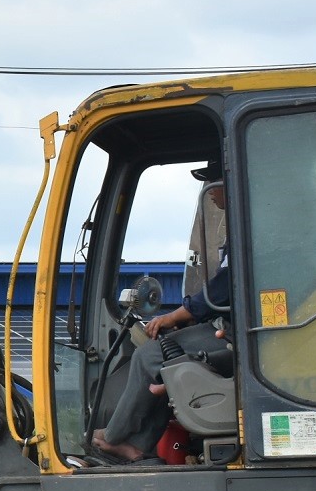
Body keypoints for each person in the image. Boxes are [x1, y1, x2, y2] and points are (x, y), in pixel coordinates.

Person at [92, 172, 230, 463]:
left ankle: (114, 437)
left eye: (212, 184)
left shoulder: (247, 230)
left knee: (148, 356)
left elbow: (222, 290)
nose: (209, 192)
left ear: (225, 182)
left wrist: (177, 315)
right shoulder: (245, 227)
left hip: (233, 336)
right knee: (164, 357)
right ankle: (138, 444)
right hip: (228, 327)